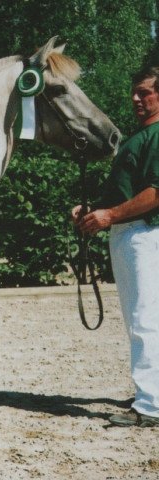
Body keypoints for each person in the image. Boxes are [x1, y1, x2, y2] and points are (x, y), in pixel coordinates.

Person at [72, 66, 159, 427]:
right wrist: (94, 212)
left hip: (141, 234)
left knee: (143, 319)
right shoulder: (142, 136)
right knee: (145, 317)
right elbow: (130, 190)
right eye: (134, 93)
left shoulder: (156, 136)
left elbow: (155, 193)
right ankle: (153, 391)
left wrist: (110, 216)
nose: (136, 99)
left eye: (144, 92)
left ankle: (152, 406)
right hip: (131, 231)